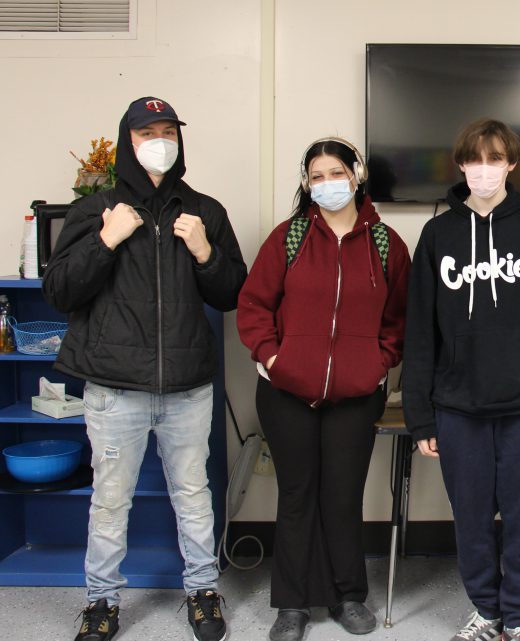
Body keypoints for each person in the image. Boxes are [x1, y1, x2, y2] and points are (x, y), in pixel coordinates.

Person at [43, 96, 247, 641]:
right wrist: (107, 240)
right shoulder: (94, 211)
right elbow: (60, 290)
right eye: (146, 132)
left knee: (194, 494)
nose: (160, 141)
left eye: (168, 131)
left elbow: (233, 294)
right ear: (126, 142)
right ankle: (101, 602)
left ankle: (203, 592)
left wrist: (206, 252)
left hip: (187, 386)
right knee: (110, 500)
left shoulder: (205, 211)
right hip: (114, 388)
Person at [402, 118, 520, 641]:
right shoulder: (438, 234)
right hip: (457, 408)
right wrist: (421, 415)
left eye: (495, 158)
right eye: (475, 159)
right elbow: (420, 333)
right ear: (461, 165)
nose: (485, 169)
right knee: (472, 520)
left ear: (511, 164)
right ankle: (486, 612)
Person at [236, 137, 410, 641]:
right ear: (307, 184)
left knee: (342, 495)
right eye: (316, 176)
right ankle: (291, 605)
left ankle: (347, 594)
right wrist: (274, 358)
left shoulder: (385, 244)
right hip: (285, 390)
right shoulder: (287, 238)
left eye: (336, 173)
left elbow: (399, 322)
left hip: (356, 395)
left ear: (356, 176)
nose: (327, 183)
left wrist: (374, 365)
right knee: (296, 495)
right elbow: (253, 308)